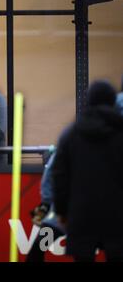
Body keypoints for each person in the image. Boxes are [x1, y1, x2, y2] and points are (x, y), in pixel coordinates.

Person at [52, 80, 123, 262]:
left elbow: (59, 176)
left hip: (81, 212)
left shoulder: (71, 133)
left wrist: (61, 211)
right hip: (117, 213)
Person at [25, 151, 66, 262]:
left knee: (37, 249)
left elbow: (49, 176)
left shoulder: (69, 141)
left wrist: (46, 204)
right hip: (100, 215)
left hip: (62, 215)